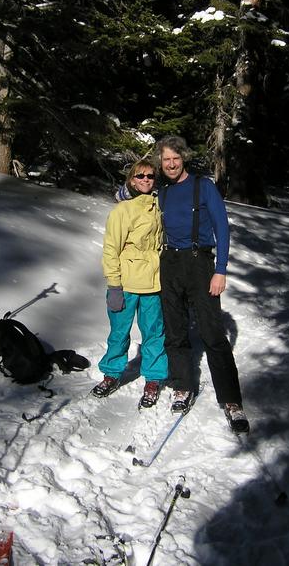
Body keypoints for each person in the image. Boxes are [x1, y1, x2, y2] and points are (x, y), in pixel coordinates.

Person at [155, 135, 249, 433]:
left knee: (212, 332)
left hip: (200, 263)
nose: (171, 164)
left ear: (183, 158)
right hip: (170, 263)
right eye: (166, 159)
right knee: (175, 329)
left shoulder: (203, 186)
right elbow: (131, 190)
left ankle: (231, 401)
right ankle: (182, 386)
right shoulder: (162, 191)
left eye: (175, 158)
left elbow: (222, 227)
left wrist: (220, 270)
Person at [92, 158, 169, 409]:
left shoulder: (159, 206)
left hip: (153, 284)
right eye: (140, 176)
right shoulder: (122, 210)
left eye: (150, 176)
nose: (146, 180)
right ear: (132, 181)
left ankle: (154, 378)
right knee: (119, 332)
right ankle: (112, 373)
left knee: (154, 333)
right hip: (126, 283)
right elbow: (111, 250)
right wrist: (114, 285)